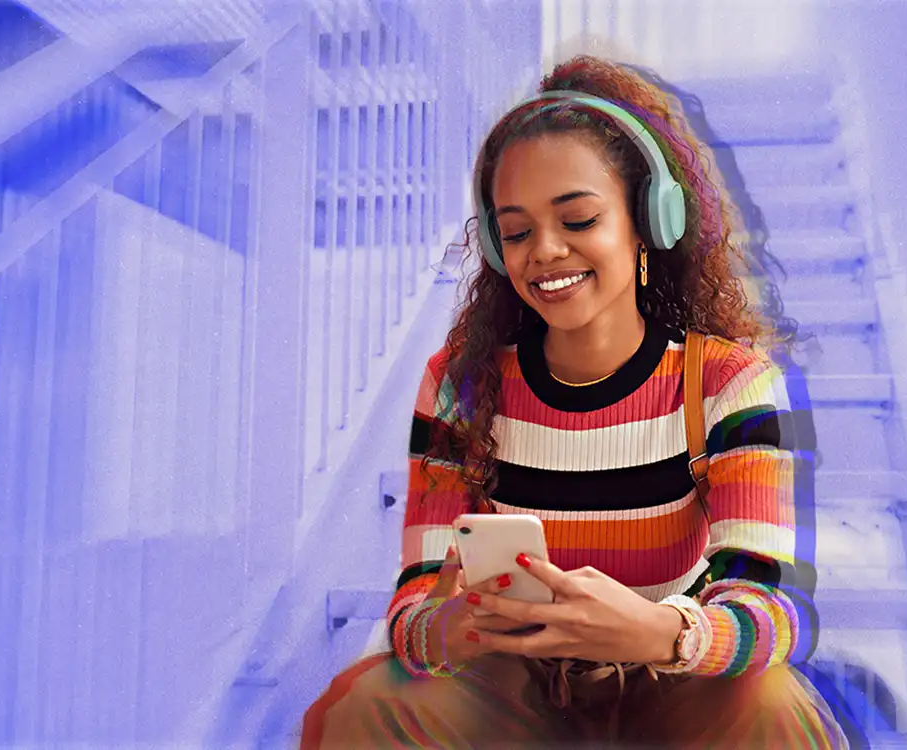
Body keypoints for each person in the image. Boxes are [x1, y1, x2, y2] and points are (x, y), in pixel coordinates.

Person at [301, 54, 848, 749]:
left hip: (672, 675)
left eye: (579, 218)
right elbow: (413, 609)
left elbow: (772, 612)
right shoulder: (461, 386)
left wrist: (660, 631)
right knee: (368, 704)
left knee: (769, 706)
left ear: (647, 221)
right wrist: (453, 625)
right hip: (509, 688)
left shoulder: (727, 382)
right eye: (518, 231)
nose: (546, 252)